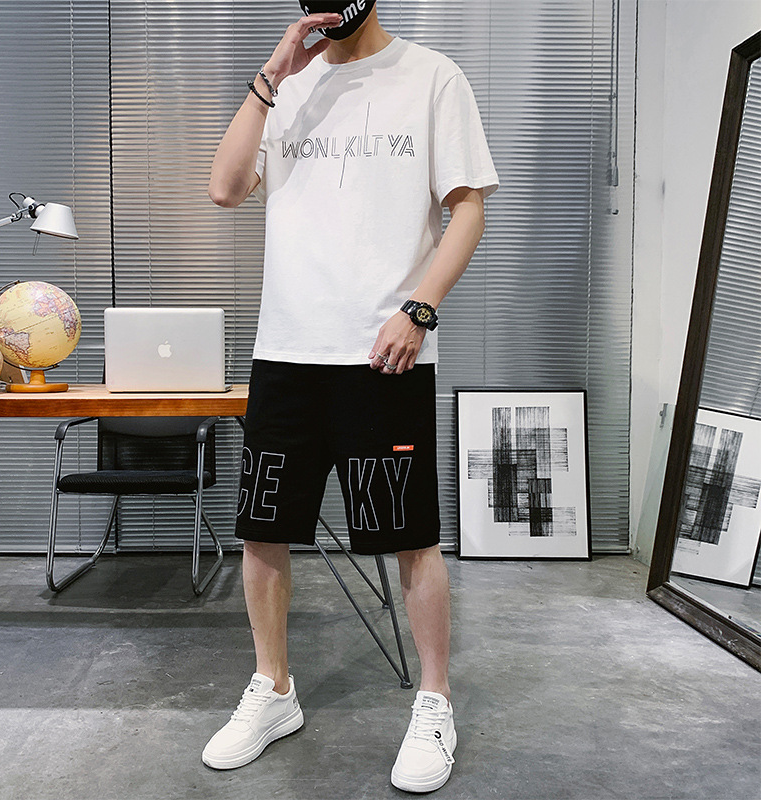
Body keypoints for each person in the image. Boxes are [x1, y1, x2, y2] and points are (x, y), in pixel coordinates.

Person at [202, 1, 498, 792]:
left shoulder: (431, 77)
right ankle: (274, 689)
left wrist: (420, 308)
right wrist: (273, 74)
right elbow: (225, 188)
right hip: (285, 350)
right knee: (263, 530)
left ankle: (434, 701)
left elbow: (468, 206)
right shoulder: (287, 87)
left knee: (411, 535)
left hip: (383, 353)